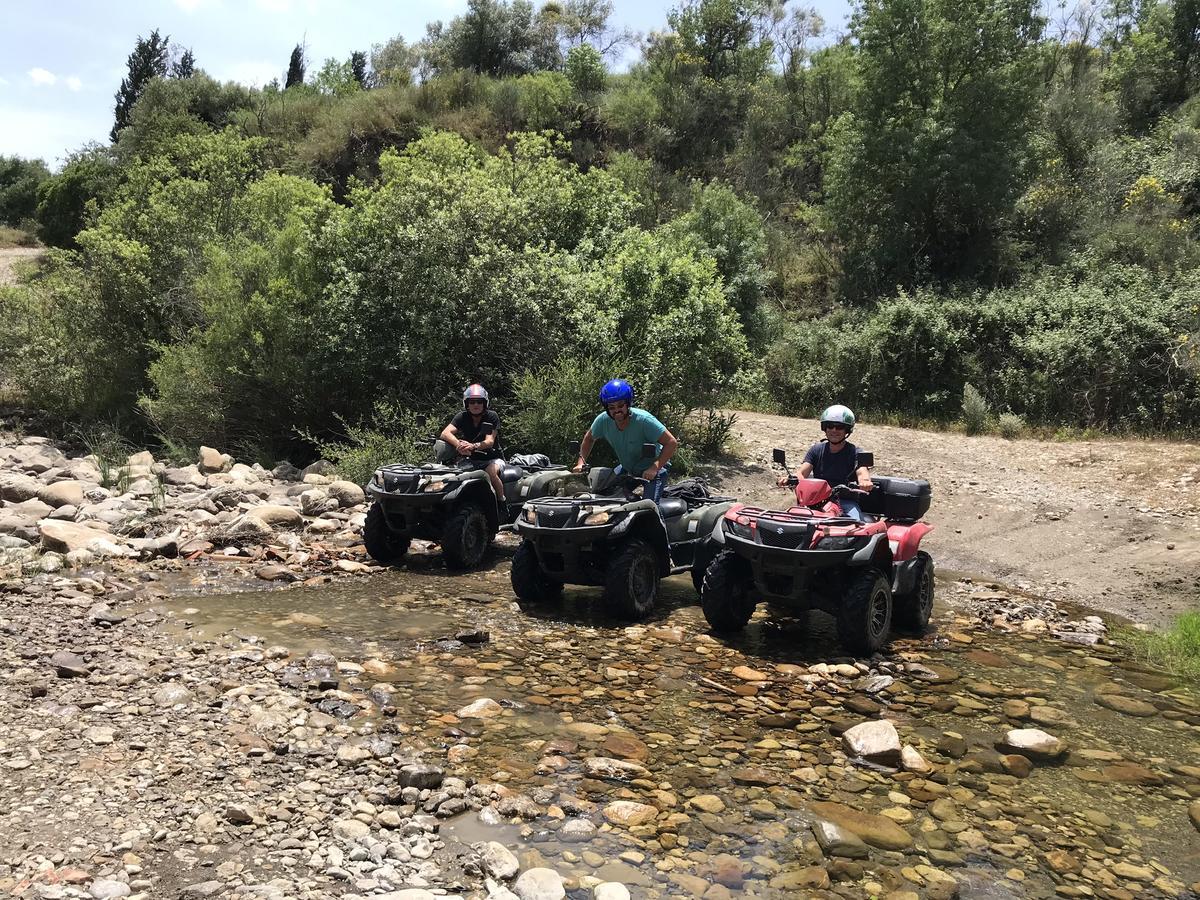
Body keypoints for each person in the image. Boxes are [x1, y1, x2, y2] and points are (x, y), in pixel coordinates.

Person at [572, 378, 679, 505]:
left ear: (628, 404)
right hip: (628, 467)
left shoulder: (644, 420)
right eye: (611, 407)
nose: (616, 410)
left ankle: (656, 523)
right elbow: (589, 438)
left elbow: (671, 442)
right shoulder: (603, 421)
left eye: (620, 405)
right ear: (606, 408)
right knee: (604, 496)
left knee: (648, 508)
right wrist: (581, 462)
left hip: (654, 469)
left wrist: (654, 467)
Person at [779, 404, 873, 521]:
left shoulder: (855, 452)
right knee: (790, 520)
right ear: (825, 428)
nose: (834, 430)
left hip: (845, 501)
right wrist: (790, 478)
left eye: (839, 427)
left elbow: (862, 472)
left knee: (857, 525)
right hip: (816, 500)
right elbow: (802, 473)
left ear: (847, 430)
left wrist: (865, 482)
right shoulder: (816, 450)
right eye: (830, 426)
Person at [440, 384, 505, 501]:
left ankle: (501, 503)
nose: (476, 405)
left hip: (492, 459)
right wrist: (459, 445)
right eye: (472, 402)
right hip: (471, 459)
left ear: (485, 403)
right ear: (467, 404)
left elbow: (489, 441)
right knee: (452, 473)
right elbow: (445, 433)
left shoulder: (491, 416)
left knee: (490, 472)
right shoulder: (462, 416)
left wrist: (473, 446)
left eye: (479, 402)